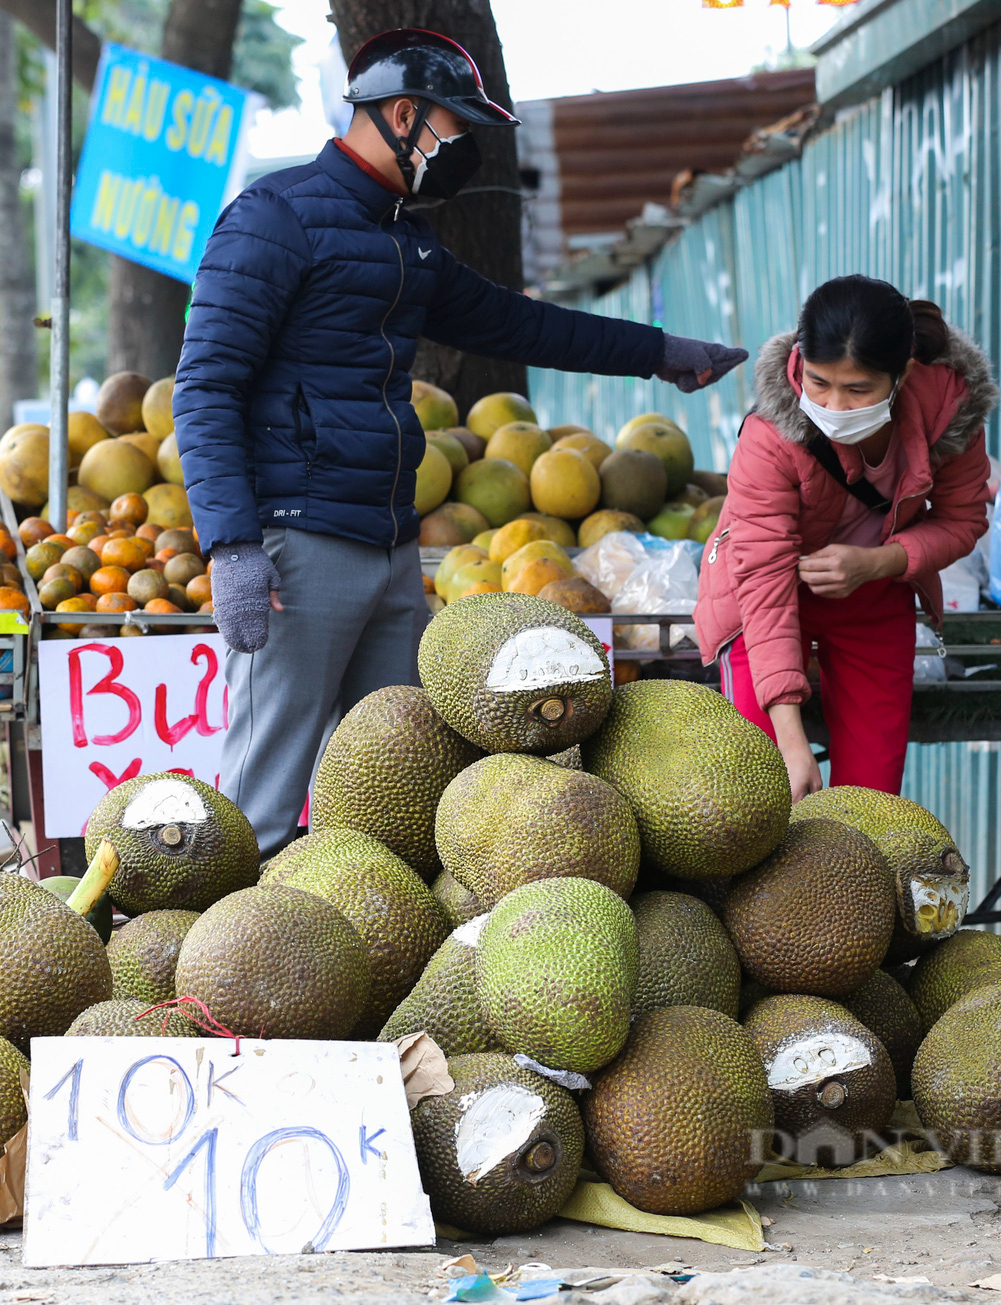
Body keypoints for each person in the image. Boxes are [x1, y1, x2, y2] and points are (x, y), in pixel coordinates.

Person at [173, 27, 747, 854]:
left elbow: (522, 323)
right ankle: (219, 976)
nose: (464, 149)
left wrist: (658, 354)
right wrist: (231, 544)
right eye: (455, 127)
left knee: (396, 799)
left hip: (389, 548)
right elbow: (205, 385)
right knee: (263, 805)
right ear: (404, 114)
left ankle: (356, 966)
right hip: (296, 548)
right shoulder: (275, 219)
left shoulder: (404, 240)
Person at [693, 275, 996, 798]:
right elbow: (762, 580)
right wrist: (792, 745)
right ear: (801, 362)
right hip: (765, 598)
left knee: (872, 799)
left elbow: (963, 521)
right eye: (819, 383)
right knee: (763, 791)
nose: (834, 406)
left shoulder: (951, 412)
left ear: (901, 374)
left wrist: (877, 563)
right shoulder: (770, 436)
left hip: (873, 597)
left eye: (858, 390)